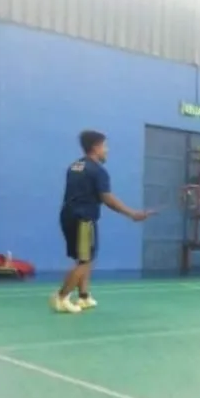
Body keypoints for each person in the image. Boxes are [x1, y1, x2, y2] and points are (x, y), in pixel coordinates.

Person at [51, 131, 148, 313]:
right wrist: (132, 213)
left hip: (68, 216)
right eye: (105, 146)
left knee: (85, 257)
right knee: (84, 261)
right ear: (96, 147)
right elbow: (107, 198)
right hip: (83, 219)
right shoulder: (97, 170)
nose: (107, 150)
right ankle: (62, 297)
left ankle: (84, 296)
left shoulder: (75, 166)